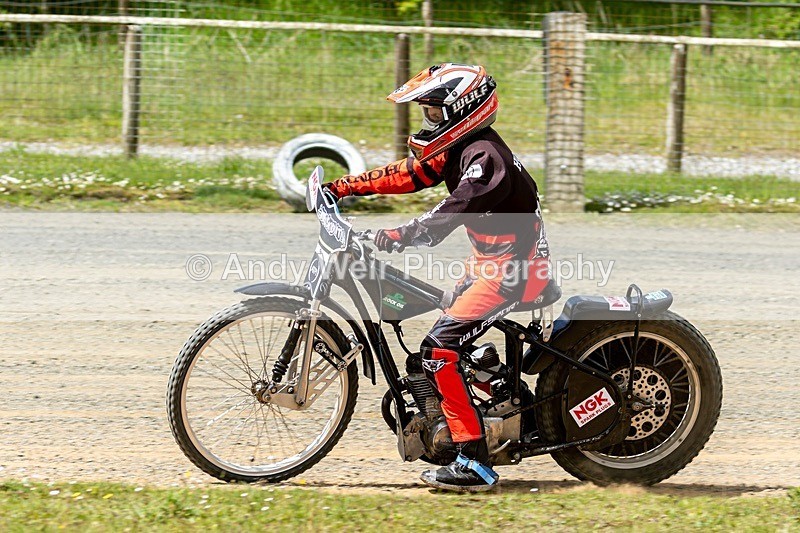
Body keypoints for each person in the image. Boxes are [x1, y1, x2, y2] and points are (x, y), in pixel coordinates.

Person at [324, 63, 551, 492]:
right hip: (490, 263)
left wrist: (397, 235)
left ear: (463, 109)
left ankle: (474, 461)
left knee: (438, 350)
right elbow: (411, 174)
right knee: (440, 331)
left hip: (513, 272)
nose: (427, 120)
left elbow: (449, 213)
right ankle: (501, 387)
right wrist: (343, 187)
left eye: (433, 112)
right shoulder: (461, 147)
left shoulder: (486, 159)